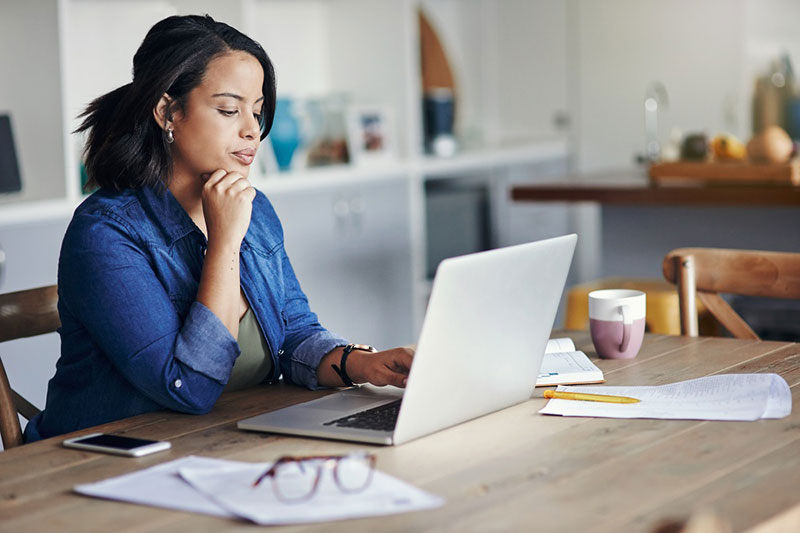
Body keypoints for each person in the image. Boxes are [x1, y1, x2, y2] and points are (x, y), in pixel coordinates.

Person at [24, 15, 413, 442]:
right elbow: (187, 386)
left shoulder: (253, 208)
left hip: (218, 442)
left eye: (258, 111)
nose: (252, 129)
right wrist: (224, 244)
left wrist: (362, 363)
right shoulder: (106, 233)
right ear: (168, 111)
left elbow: (295, 333)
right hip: (97, 466)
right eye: (229, 109)